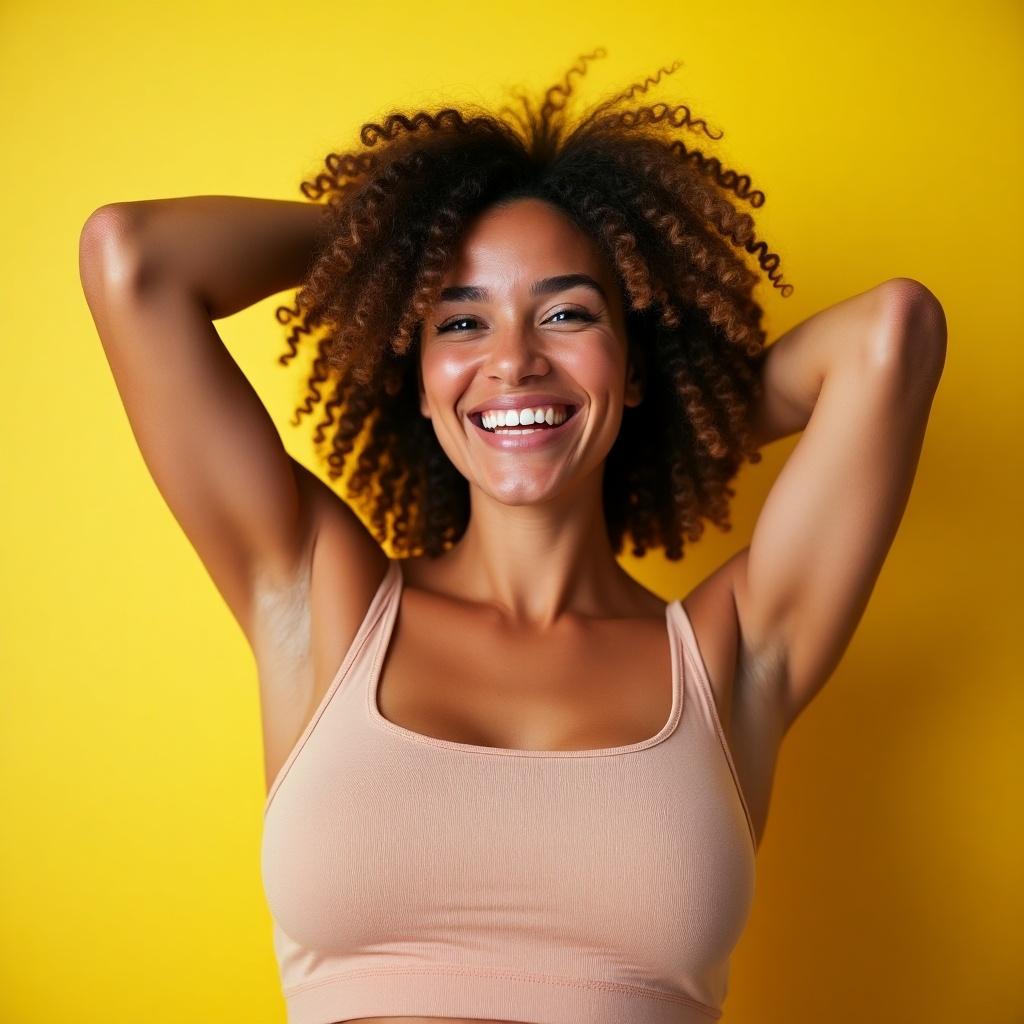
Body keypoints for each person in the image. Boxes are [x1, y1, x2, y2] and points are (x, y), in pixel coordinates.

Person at [78, 47, 946, 1024]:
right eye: (461, 322)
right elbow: (133, 258)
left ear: (635, 358)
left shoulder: (728, 653)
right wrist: (396, 242)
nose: (514, 360)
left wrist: (633, 422)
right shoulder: (321, 597)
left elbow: (893, 335)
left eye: (566, 313)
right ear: (413, 374)